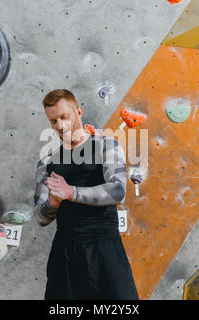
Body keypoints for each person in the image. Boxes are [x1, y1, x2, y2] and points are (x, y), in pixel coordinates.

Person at [33, 89, 139, 300]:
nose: (60, 126)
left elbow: (118, 191)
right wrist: (53, 202)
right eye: (53, 121)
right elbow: (40, 217)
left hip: (104, 248)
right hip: (65, 253)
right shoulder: (47, 161)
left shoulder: (106, 145)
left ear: (79, 112)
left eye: (64, 117)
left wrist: (71, 192)